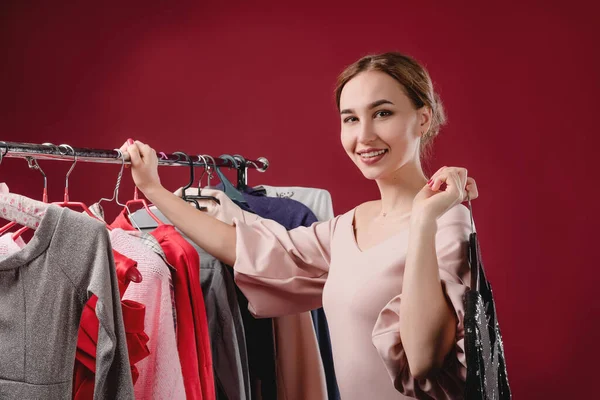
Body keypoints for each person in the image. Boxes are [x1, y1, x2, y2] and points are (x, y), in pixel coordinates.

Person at [121, 52, 479, 400]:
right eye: (350, 119)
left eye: (382, 113)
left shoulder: (446, 222)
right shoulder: (348, 226)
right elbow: (248, 249)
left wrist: (423, 219)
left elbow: (422, 360)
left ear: (423, 119)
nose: (364, 135)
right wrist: (155, 189)